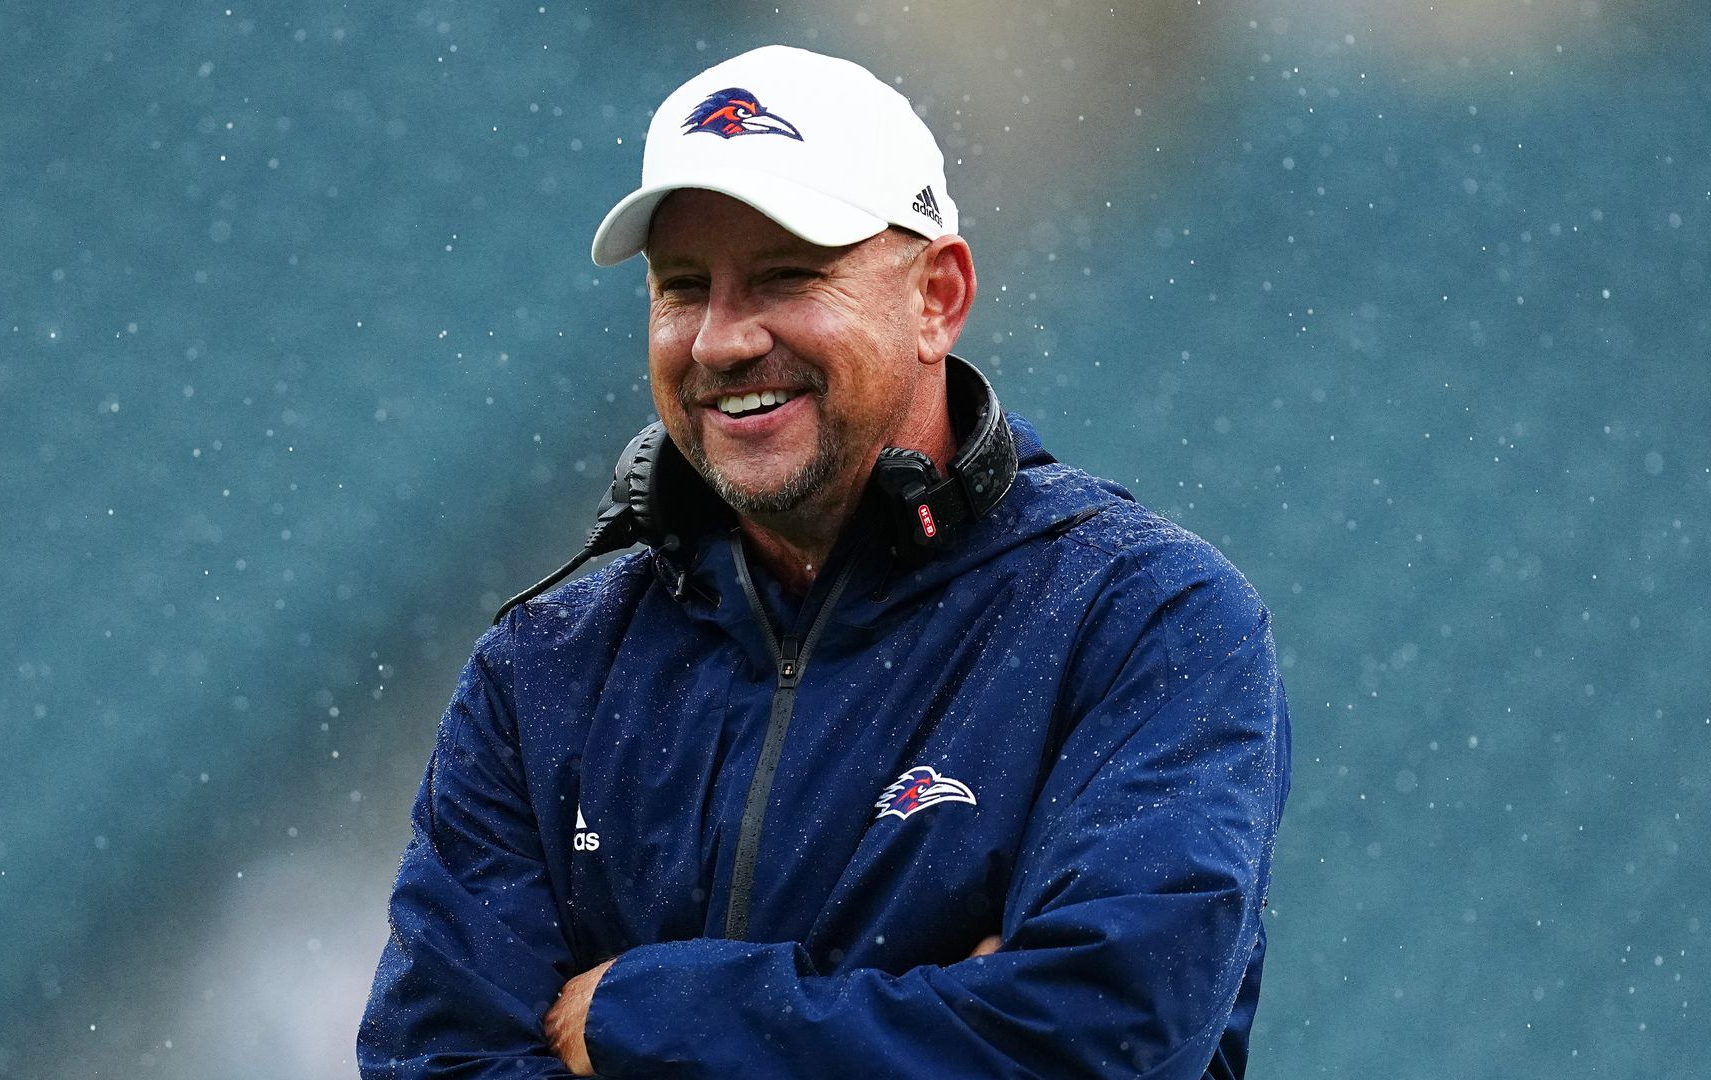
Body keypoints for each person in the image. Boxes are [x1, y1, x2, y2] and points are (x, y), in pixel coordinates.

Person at [359, 44, 1291, 1079]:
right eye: (681, 288)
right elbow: (436, 1064)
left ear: (937, 297)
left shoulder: (1144, 619)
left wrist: (644, 1016)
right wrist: (936, 1020)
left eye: (785, 276)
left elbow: (1097, 1040)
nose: (720, 340)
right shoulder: (542, 672)